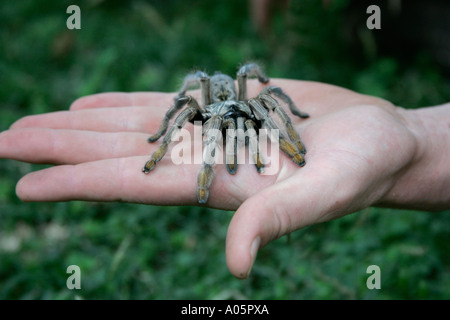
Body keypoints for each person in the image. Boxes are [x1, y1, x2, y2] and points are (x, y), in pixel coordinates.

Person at [0, 79, 449, 279]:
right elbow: (186, 108)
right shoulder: (202, 111)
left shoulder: (253, 106)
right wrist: (163, 142)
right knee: (202, 125)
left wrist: (293, 145)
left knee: (268, 102)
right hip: (213, 111)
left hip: (242, 107)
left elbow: (270, 103)